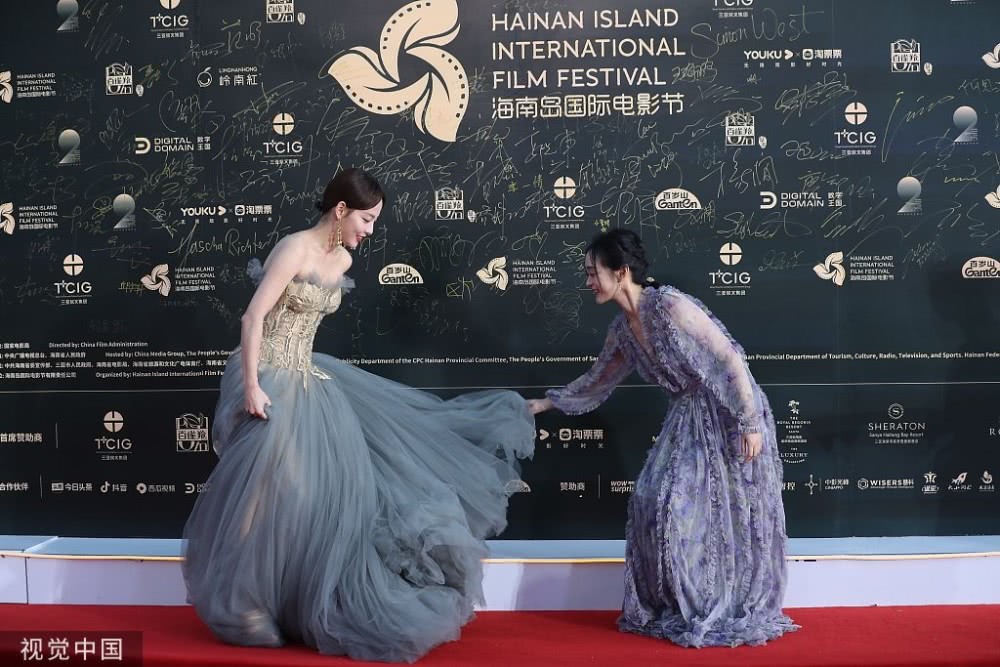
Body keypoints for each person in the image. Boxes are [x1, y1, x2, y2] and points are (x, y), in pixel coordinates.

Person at [182, 168, 535, 663]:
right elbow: (253, 317)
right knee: (265, 490)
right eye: (366, 220)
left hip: (310, 379)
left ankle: (287, 602)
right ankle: (238, 603)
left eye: (374, 222)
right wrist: (254, 387)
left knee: (308, 498)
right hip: (268, 376)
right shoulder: (294, 248)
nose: (369, 231)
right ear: (341, 209)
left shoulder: (343, 258)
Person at [527, 229, 797, 648]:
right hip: (687, 416)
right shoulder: (623, 330)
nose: (588, 281)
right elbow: (598, 380)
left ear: (621, 272)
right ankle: (684, 603)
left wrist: (749, 423)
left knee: (710, 509)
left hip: (727, 413)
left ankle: (718, 603)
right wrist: (545, 403)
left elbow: (729, 357)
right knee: (652, 499)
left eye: (592, 272)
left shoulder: (669, 305)